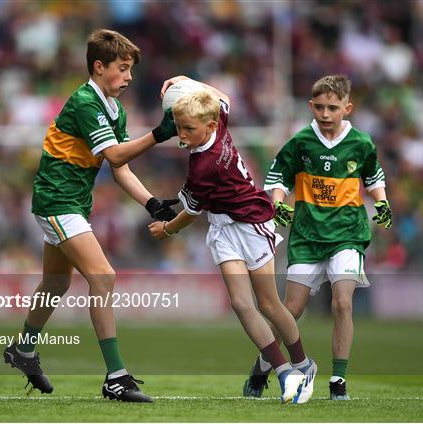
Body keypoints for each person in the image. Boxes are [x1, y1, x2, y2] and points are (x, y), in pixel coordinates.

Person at [3, 29, 179, 403]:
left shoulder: (114, 108)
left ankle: (23, 350)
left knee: (55, 284)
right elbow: (116, 156)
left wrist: (150, 202)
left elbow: (120, 168)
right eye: (122, 67)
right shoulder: (86, 102)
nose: (129, 77)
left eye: (131, 69)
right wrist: (160, 133)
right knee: (104, 277)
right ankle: (116, 377)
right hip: (56, 201)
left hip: (73, 203)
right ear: (99, 67)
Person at [149, 76, 317, 404]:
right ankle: (286, 374)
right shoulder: (220, 120)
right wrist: (186, 80)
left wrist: (167, 229)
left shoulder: (203, 166)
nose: (181, 135)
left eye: (187, 129)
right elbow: (222, 95)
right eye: (178, 127)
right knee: (241, 304)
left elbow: (189, 214)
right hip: (223, 228)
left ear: (209, 125)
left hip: (252, 224)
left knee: (269, 303)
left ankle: (303, 361)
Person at [243, 74, 393, 401]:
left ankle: (338, 380)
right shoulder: (300, 142)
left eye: (333, 108)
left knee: (342, 303)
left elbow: (373, 175)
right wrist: (278, 203)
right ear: (311, 106)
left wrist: (381, 200)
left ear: (347, 108)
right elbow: (276, 176)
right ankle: (263, 365)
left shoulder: (362, 143)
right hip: (307, 237)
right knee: (291, 310)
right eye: (320, 107)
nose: (325, 114)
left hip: (348, 235)